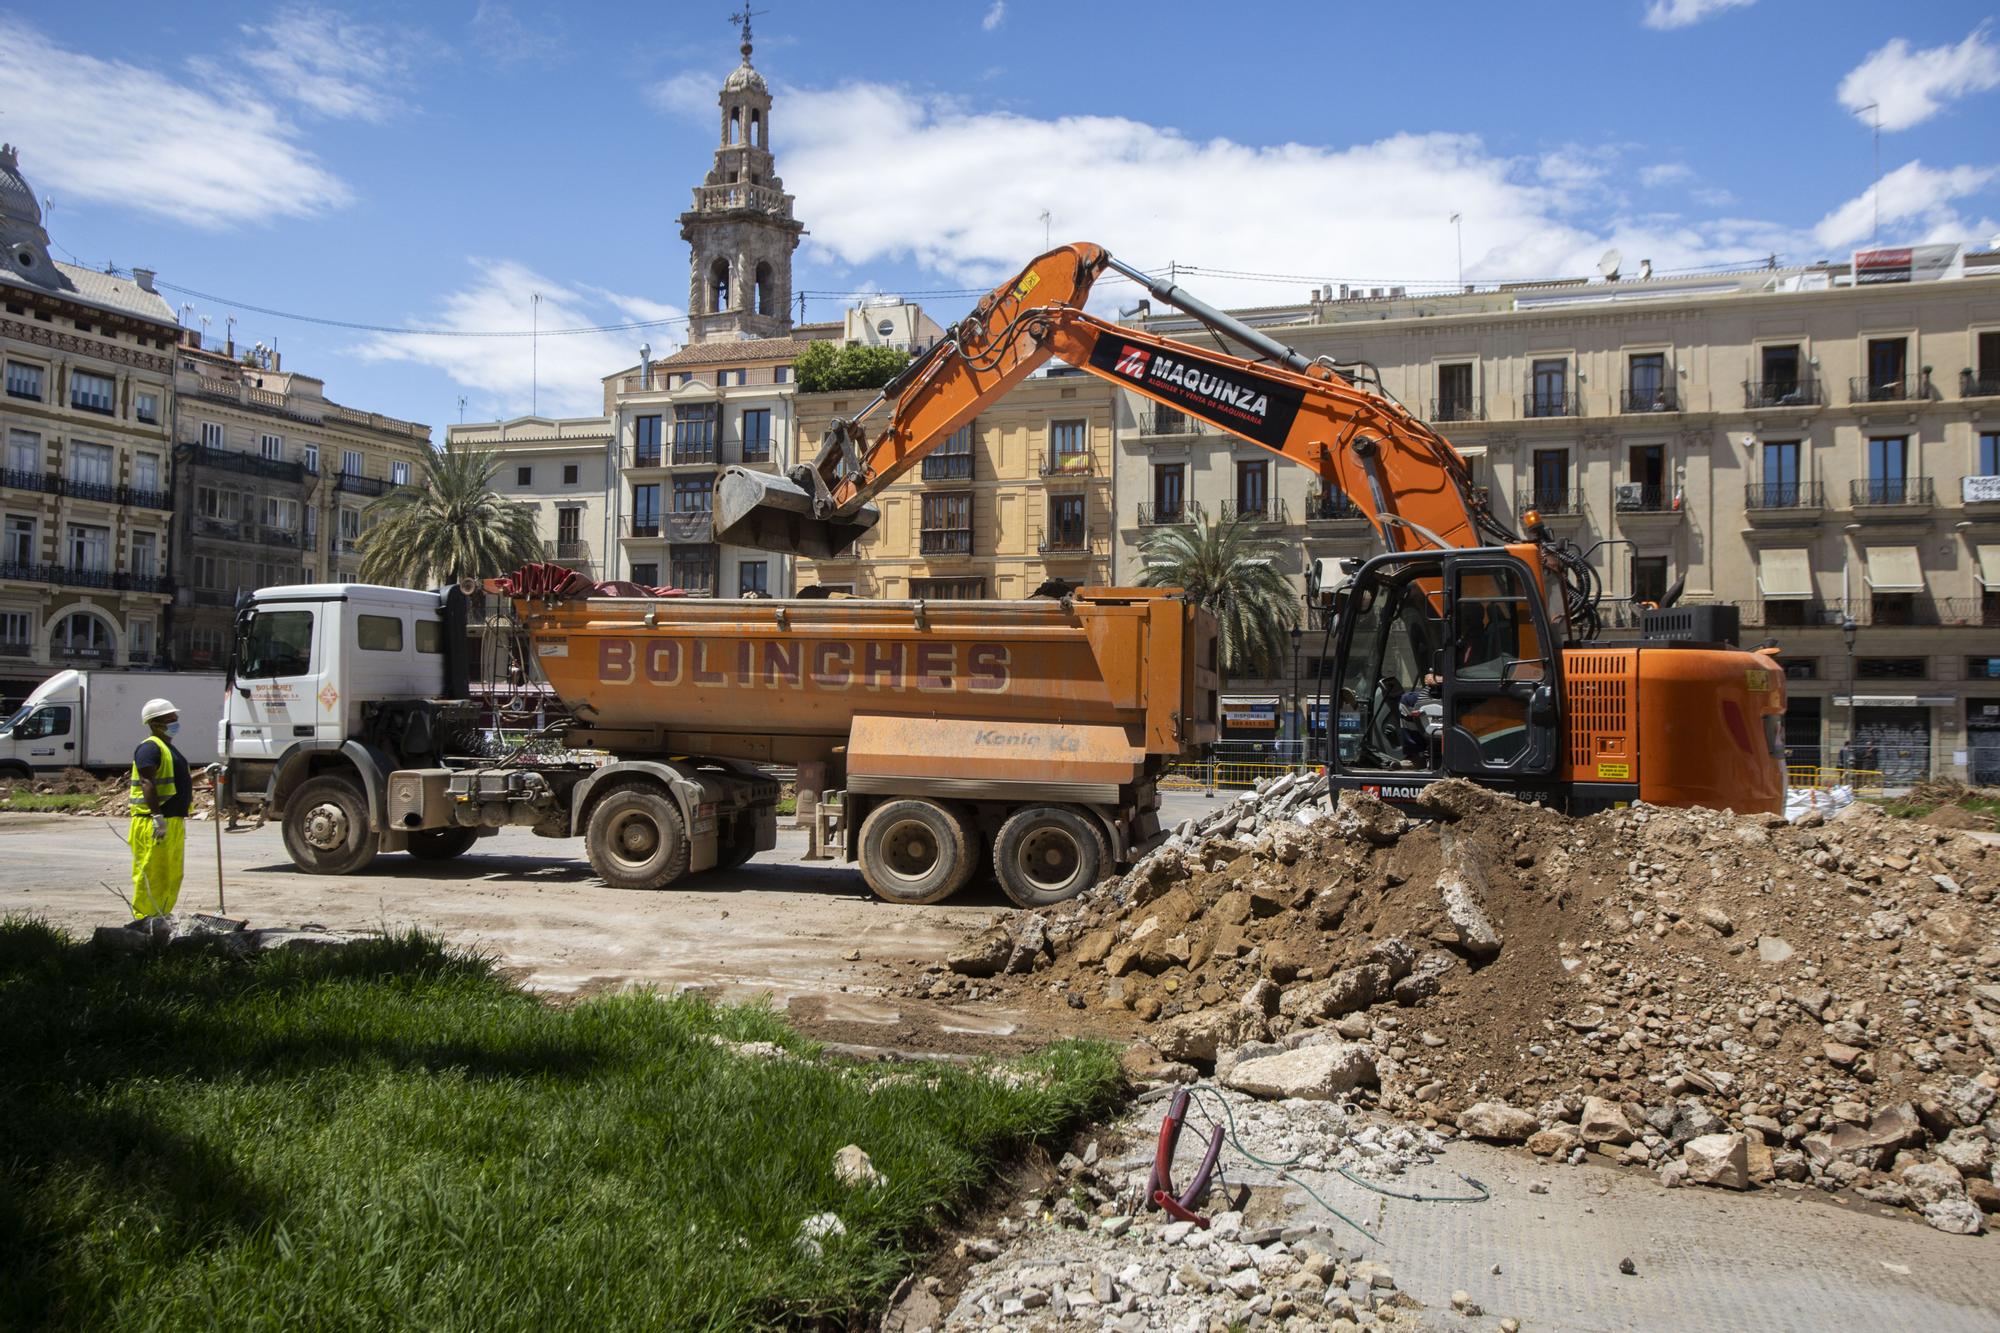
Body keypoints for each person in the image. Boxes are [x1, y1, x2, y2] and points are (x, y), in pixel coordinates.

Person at [129, 697, 190, 918]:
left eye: (175, 718)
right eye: (170, 719)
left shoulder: (168, 748)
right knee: (151, 873)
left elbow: (173, 780)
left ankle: (162, 915)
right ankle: (144, 920)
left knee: (171, 873)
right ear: (155, 723)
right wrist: (157, 816)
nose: (175, 722)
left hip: (173, 821)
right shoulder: (149, 748)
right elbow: (147, 782)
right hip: (153, 823)